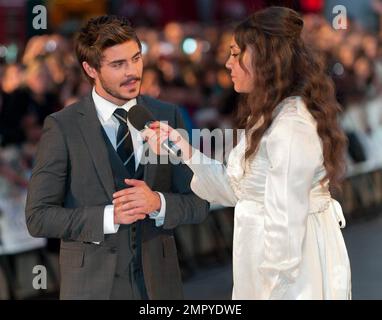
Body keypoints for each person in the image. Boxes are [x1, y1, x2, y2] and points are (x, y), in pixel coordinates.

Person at [145, 7, 352, 299]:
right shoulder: (271, 116)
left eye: (235, 53)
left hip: (290, 279)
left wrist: (270, 287)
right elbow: (239, 190)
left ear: (264, 58)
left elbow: (286, 230)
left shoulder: (291, 124)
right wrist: (181, 148)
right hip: (262, 266)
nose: (228, 63)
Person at [25, 15, 209, 300]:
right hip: (91, 288)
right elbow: (38, 218)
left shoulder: (167, 115)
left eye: (136, 58)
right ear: (91, 69)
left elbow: (199, 203)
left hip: (159, 288)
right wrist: (109, 217)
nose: (132, 72)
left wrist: (157, 203)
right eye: (118, 64)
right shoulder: (63, 126)